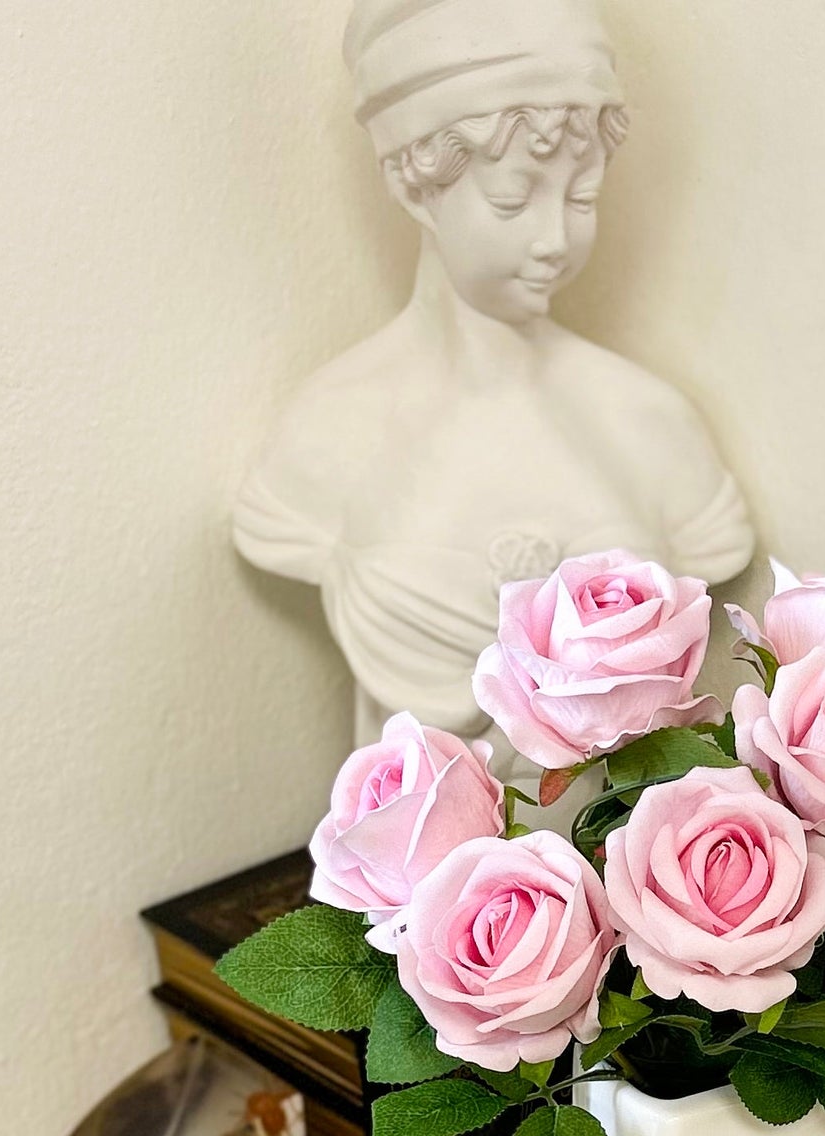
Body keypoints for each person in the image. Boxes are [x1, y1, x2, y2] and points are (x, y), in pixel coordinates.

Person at [236, 0, 755, 745]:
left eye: (582, 198)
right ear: (416, 187)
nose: (555, 239)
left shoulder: (651, 423)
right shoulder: (326, 432)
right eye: (513, 199)